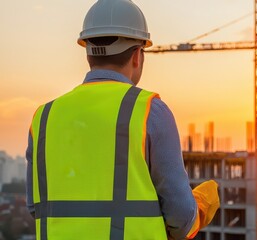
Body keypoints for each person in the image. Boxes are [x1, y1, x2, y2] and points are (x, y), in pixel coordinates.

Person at [25, 0, 219, 239]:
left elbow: (36, 207)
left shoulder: (44, 117)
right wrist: (201, 204)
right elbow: (181, 219)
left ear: (87, 53)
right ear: (137, 56)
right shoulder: (150, 112)